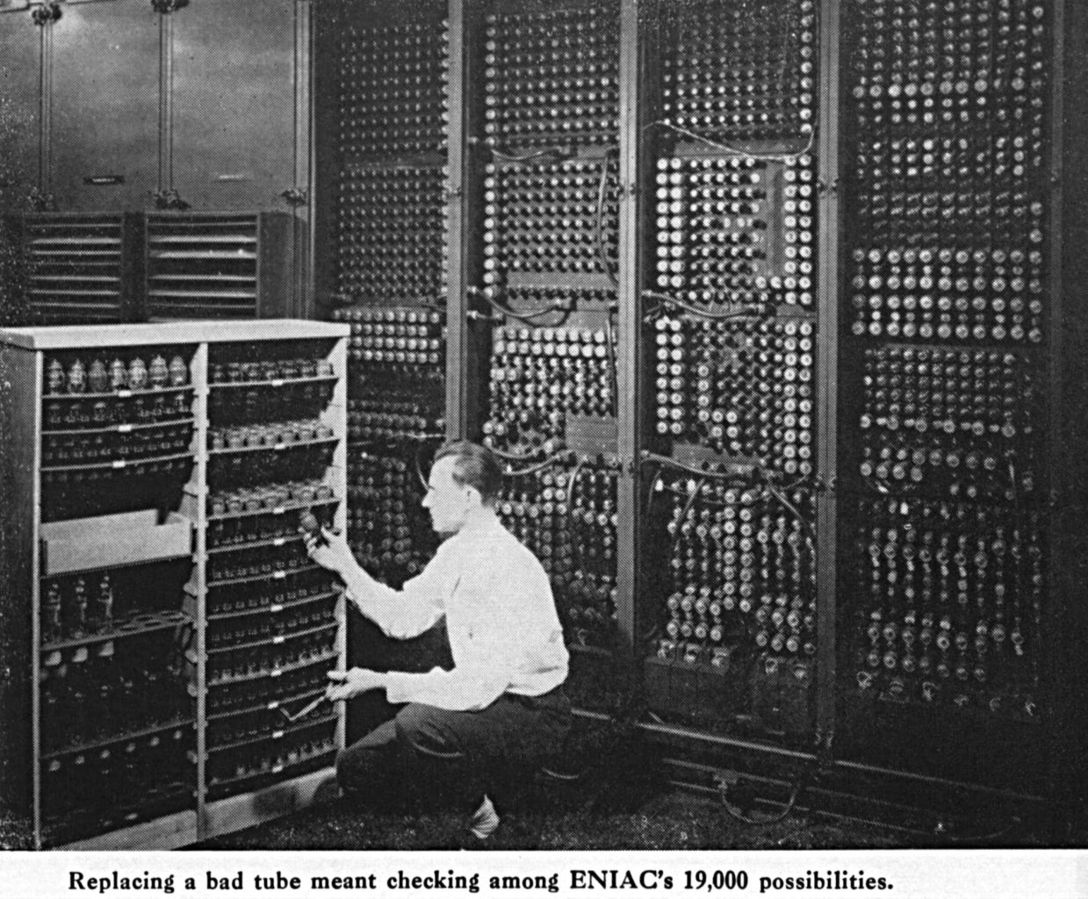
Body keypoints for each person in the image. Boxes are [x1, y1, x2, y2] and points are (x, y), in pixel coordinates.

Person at [305, 439, 571, 839]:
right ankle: (443, 818)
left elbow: (476, 689)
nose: (425, 503)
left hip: (530, 711)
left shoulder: (505, 566)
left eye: (433, 491)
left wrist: (380, 680)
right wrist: (345, 564)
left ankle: (479, 820)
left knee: (419, 725)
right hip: (486, 696)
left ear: (468, 497)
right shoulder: (459, 551)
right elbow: (404, 617)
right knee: (356, 765)